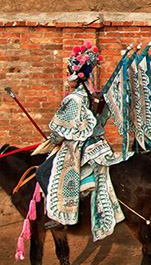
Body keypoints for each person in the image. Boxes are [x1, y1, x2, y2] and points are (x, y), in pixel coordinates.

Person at [36, 41, 124, 241]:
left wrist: (53, 138)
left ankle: (60, 215)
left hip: (78, 146)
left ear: (76, 76)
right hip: (98, 143)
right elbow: (100, 120)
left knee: (43, 172)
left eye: (70, 75)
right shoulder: (94, 95)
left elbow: (63, 131)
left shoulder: (73, 99)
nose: (68, 80)